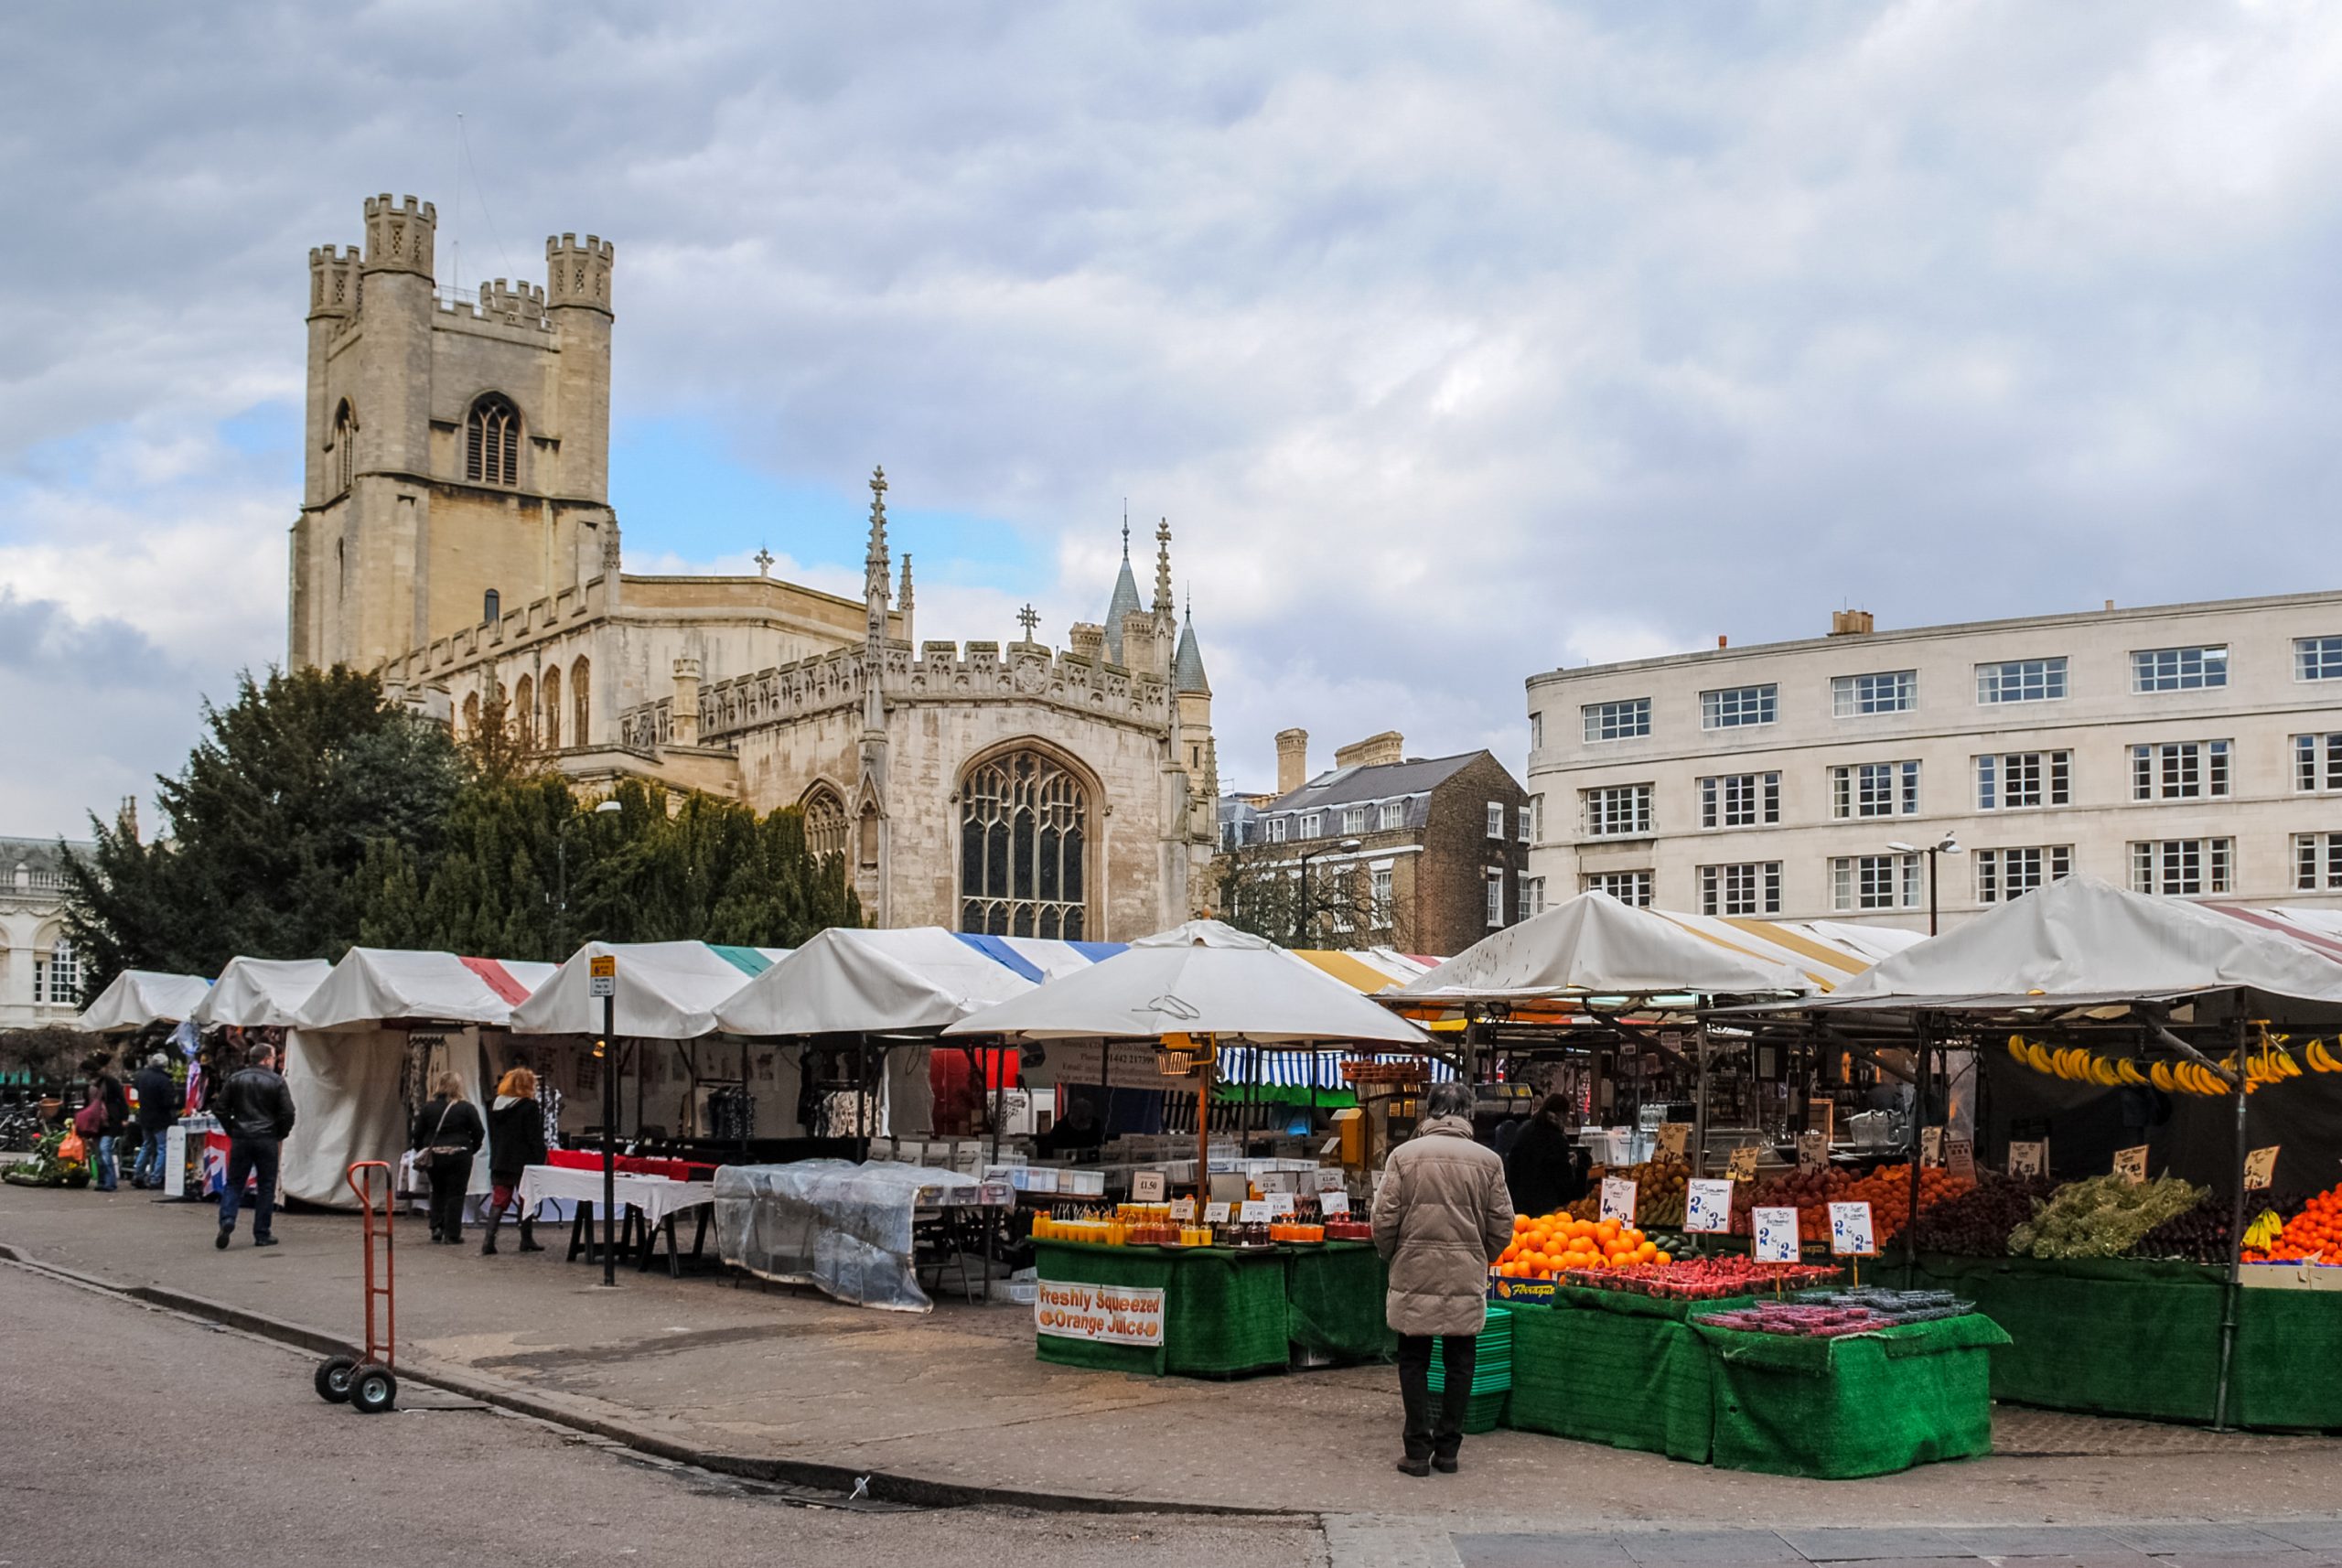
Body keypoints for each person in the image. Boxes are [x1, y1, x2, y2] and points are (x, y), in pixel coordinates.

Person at [1371, 1079, 1513, 1477]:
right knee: (1460, 1359)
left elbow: (1384, 1220)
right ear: (1468, 1114)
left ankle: (1417, 1450)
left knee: (1414, 1359)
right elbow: (1503, 1225)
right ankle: (1448, 1450)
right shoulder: (1489, 1161)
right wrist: (1478, 1256)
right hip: (1466, 1272)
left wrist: (1393, 1254)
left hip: (1413, 1268)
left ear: (1429, 1111)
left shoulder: (1403, 1156)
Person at [215, 1042, 296, 1248]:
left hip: (242, 1136)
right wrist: (280, 1133)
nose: (275, 1061)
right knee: (266, 1186)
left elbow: (220, 1107)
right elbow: (288, 1112)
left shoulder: (235, 1079)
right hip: (266, 1137)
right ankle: (262, 1232)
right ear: (266, 1059)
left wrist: (232, 1128)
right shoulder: (276, 1081)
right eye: (274, 1057)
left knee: (234, 1182)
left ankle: (227, 1219)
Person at [410, 1072, 486, 1246]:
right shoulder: (466, 1108)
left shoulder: (428, 1108)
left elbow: (417, 1134)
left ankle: (436, 1226)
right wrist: (471, 1149)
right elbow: (479, 1132)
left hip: (435, 1155)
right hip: (460, 1154)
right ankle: (452, 1233)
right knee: (456, 1194)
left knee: (438, 1190)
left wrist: (421, 1150)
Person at [481, 1068, 548, 1256]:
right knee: (526, 1198)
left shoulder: (494, 1105)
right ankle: (526, 1239)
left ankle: (489, 1240)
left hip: (500, 1158)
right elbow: (534, 1136)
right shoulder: (529, 1106)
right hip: (523, 1160)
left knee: (499, 1199)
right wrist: (541, 1157)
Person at [1504, 1094, 1592, 1219]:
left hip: (1518, 1205)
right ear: (1562, 1113)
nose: (1567, 1119)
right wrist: (1579, 1168)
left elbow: (1513, 1165)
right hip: (1545, 1210)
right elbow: (1564, 1184)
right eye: (1567, 1115)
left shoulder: (1524, 1129)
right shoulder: (1555, 1138)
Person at [83, 1054, 131, 1193]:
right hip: (95, 1123)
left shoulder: (110, 1082)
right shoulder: (88, 1085)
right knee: (98, 1153)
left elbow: (121, 1100)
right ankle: (102, 1181)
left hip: (109, 1121)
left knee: (104, 1149)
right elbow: (87, 1104)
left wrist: (124, 1117)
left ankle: (110, 1182)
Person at [131, 1051, 178, 1190]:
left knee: (147, 1146)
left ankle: (138, 1175)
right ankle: (155, 1178)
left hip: (145, 1116)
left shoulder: (142, 1077)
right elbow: (167, 1102)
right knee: (162, 1147)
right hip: (161, 1118)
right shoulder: (164, 1080)